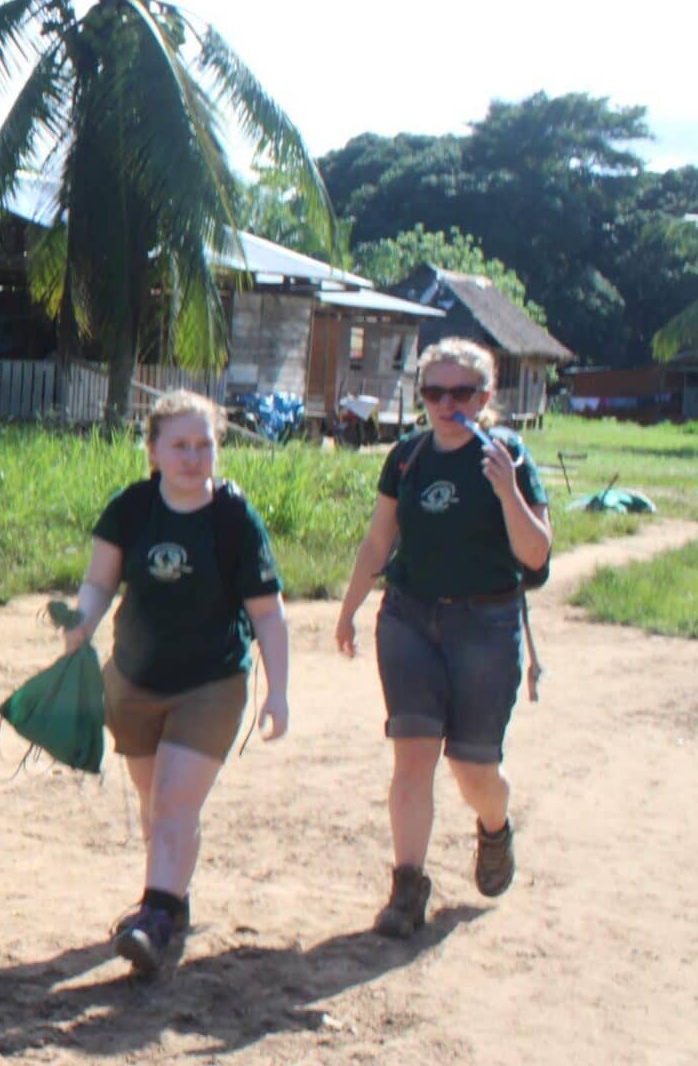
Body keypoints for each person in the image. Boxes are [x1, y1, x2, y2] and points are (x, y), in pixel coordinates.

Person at [60, 392, 290, 979]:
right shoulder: (131, 508)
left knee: (172, 804)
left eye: (204, 444)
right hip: (134, 681)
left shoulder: (234, 518)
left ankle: (154, 918)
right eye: (180, 445)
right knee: (153, 804)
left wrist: (278, 691)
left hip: (211, 682)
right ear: (154, 451)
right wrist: (80, 621)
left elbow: (266, 612)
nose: (193, 457)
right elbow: (98, 583)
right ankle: (171, 903)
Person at [334, 338, 551, 938]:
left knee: (472, 769)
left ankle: (494, 827)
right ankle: (408, 888)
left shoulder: (508, 455)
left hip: (485, 624)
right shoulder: (406, 457)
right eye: (434, 392)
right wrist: (349, 609)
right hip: (408, 619)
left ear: (485, 397)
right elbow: (378, 543)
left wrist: (507, 490)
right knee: (413, 755)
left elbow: (535, 553)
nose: (446, 403)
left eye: (461, 392)